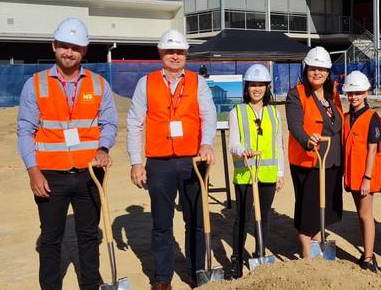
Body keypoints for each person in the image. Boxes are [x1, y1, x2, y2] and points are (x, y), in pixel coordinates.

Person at [17, 17, 118, 290]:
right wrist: (33, 171)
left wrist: (103, 148)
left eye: (75, 47)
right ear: (54, 46)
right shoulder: (35, 85)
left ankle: (90, 286)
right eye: (64, 46)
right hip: (50, 176)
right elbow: (25, 130)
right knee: (50, 239)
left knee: (88, 237)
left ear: (84, 51)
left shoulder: (99, 85)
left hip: (89, 176)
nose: (69, 52)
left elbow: (109, 123)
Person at [127, 29, 217, 290]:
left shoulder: (198, 82)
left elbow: (208, 115)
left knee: (196, 222)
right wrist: (136, 162)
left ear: (186, 54)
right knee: (162, 224)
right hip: (159, 163)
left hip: (193, 161)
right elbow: (134, 123)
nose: (175, 56)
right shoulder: (146, 83)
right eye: (170, 51)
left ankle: (196, 270)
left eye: (179, 51)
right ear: (161, 54)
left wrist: (206, 143)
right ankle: (163, 277)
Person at [225, 64, 284, 279]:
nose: (257, 89)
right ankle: (236, 260)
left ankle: (260, 252)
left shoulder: (274, 112)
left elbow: (278, 145)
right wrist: (243, 151)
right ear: (246, 87)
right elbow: (233, 143)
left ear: (267, 87)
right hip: (245, 174)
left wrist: (280, 173)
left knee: (264, 217)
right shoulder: (237, 112)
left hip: (267, 175)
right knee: (242, 218)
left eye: (261, 85)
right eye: (253, 85)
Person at [286, 46, 344, 259]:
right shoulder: (296, 94)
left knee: (325, 208)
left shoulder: (333, 96)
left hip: (331, 162)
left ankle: (318, 245)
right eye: (313, 68)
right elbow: (295, 125)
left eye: (322, 69)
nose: (317, 73)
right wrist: (307, 140)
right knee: (308, 209)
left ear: (328, 72)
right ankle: (307, 256)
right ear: (306, 69)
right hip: (308, 161)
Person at [342, 71, 381, 273]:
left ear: (366, 93)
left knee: (366, 215)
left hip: (365, 176)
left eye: (358, 93)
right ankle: (366, 253)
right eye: (350, 93)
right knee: (361, 214)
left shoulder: (372, 118)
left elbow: (373, 149)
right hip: (353, 175)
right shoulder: (346, 117)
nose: (354, 97)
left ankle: (368, 258)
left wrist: (367, 177)